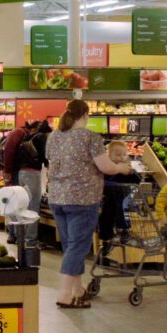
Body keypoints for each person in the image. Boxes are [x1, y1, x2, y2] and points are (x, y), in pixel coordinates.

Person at [46, 99, 134, 309]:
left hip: (57, 197)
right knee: (77, 246)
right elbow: (106, 167)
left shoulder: (54, 136)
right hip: (82, 199)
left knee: (70, 245)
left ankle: (79, 290)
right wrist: (122, 168)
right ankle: (65, 294)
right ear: (85, 115)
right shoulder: (90, 137)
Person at [97, 141, 142, 256]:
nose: (121, 158)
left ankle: (124, 231)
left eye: (124, 155)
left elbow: (137, 180)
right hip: (108, 200)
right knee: (105, 217)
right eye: (118, 155)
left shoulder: (127, 168)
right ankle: (107, 239)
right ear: (109, 156)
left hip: (124, 199)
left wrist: (132, 173)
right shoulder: (106, 169)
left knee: (121, 209)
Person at [13, 120, 52, 248]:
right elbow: (45, 156)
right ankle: (31, 241)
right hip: (32, 174)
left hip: (21, 173)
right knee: (33, 207)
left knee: (23, 206)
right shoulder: (42, 137)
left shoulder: (28, 136)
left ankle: (20, 238)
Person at [2, 121, 33, 244]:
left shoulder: (21, 133)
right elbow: (8, 151)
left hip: (17, 171)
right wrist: (7, 171)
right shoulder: (18, 133)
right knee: (14, 202)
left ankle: (17, 233)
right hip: (14, 172)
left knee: (18, 202)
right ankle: (13, 233)